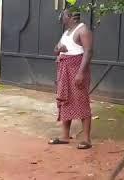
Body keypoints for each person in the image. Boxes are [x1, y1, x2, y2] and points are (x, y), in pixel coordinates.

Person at [48, 7, 93, 149]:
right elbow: (56, 49)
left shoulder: (82, 30)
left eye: (63, 15)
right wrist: (59, 50)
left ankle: (86, 139)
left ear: (70, 16)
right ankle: (65, 136)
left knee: (81, 101)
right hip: (64, 71)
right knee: (65, 101)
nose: (61, 18)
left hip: (77, 70)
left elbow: (88, 51)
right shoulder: (66, 32)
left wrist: (81, 73)